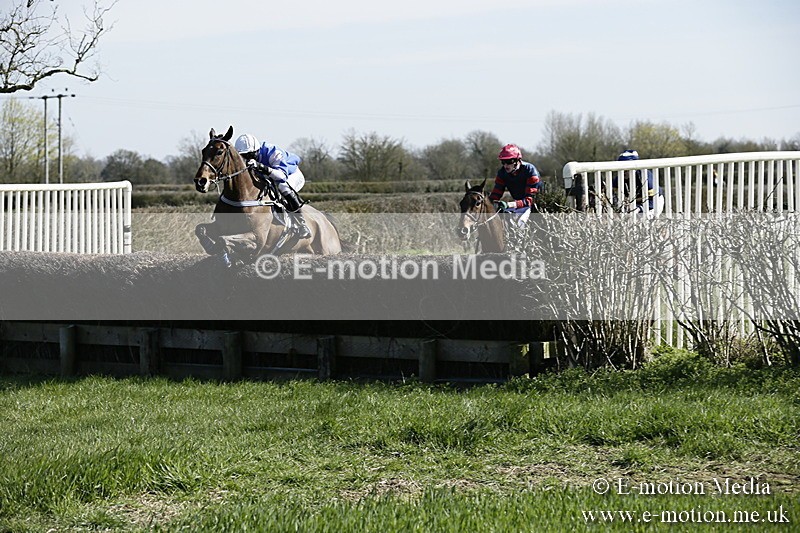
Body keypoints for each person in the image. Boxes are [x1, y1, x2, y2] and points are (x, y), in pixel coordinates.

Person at [234, 133, 311, 239]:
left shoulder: (273, 152)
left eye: (249, 155)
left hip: (291, 174)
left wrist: (261, 167)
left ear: (256, 150)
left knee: (283, 187)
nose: (247, 158)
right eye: (244, 156)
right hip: (272, 176)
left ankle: (302, 224)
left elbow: (281, 176)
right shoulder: (247, 157)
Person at [488, 143, 542, 226]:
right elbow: (496, 194)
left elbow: (530, 200)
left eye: (509, 162)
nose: (506, 165)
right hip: (519, 205)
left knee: (519, 224)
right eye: (503, 162)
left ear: (518, 160)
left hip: (535, 206)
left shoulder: (530, 170)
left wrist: (509, 204)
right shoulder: (502, 173)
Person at [614, 149, 664, 218]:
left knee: (647, 219)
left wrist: (639, 208)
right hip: (634, 203)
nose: (623, 171)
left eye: (626, 168)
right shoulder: (618, 179)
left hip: (654, 201)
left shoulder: (644, 176)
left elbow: (652, 200)